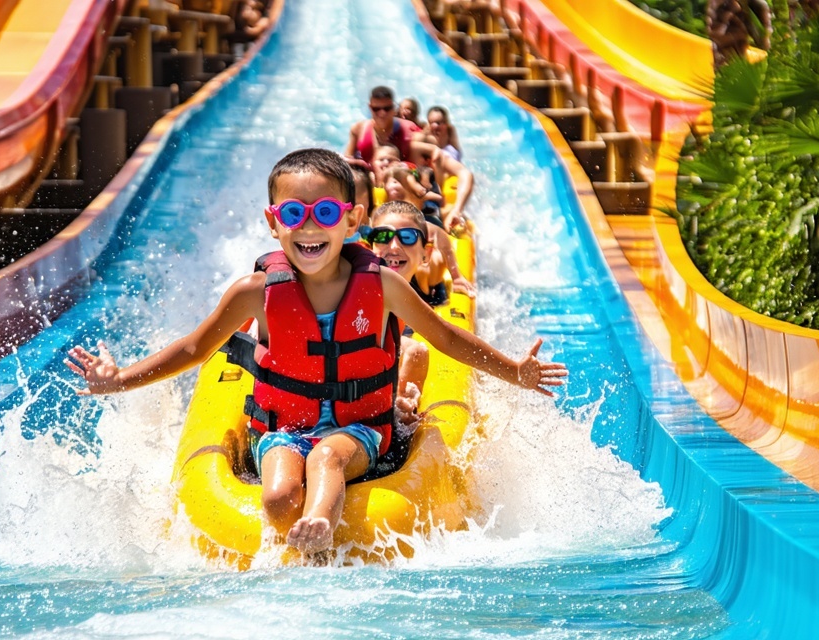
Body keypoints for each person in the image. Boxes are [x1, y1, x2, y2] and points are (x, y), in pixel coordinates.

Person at [67, 148, 565, 556]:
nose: (309, 229)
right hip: (284, 429)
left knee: (326, 458)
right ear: (272, 222)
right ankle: (302, 533)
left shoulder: (383, 286)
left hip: (361, 430)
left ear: (352, 220)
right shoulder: (254, 293)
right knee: (281, 495)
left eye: (325, 214)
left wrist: (515, 371)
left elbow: (446, 338)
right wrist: (120, 378)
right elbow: (193, 349)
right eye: (294, 215)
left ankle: (320, 530)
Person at [362, 201, 445, 432]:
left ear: (426, 254)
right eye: (383, 236)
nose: (395, 246)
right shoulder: (355, 290)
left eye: (407, 237)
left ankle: (401, 416)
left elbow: (449, 339)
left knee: (415, 350)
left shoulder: (406, 304)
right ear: (369, 248)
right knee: (415, 350)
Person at [381, 165, 474, 297]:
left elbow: (439, 235)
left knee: (425, 265)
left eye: (404, 199)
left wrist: (456, 276)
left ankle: (423, 294)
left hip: (424, 278)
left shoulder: (428, 223)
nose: (401, 207)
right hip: (401, 270)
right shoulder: (381, 220)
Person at [343, 85, 436, 169]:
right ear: (370, 107)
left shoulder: (408, 130)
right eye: (376, 109)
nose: (382, 113)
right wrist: (360, 163)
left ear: (393, 107)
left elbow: (435, 146)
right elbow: (346, 161)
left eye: (386, 109)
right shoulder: (358, 129)